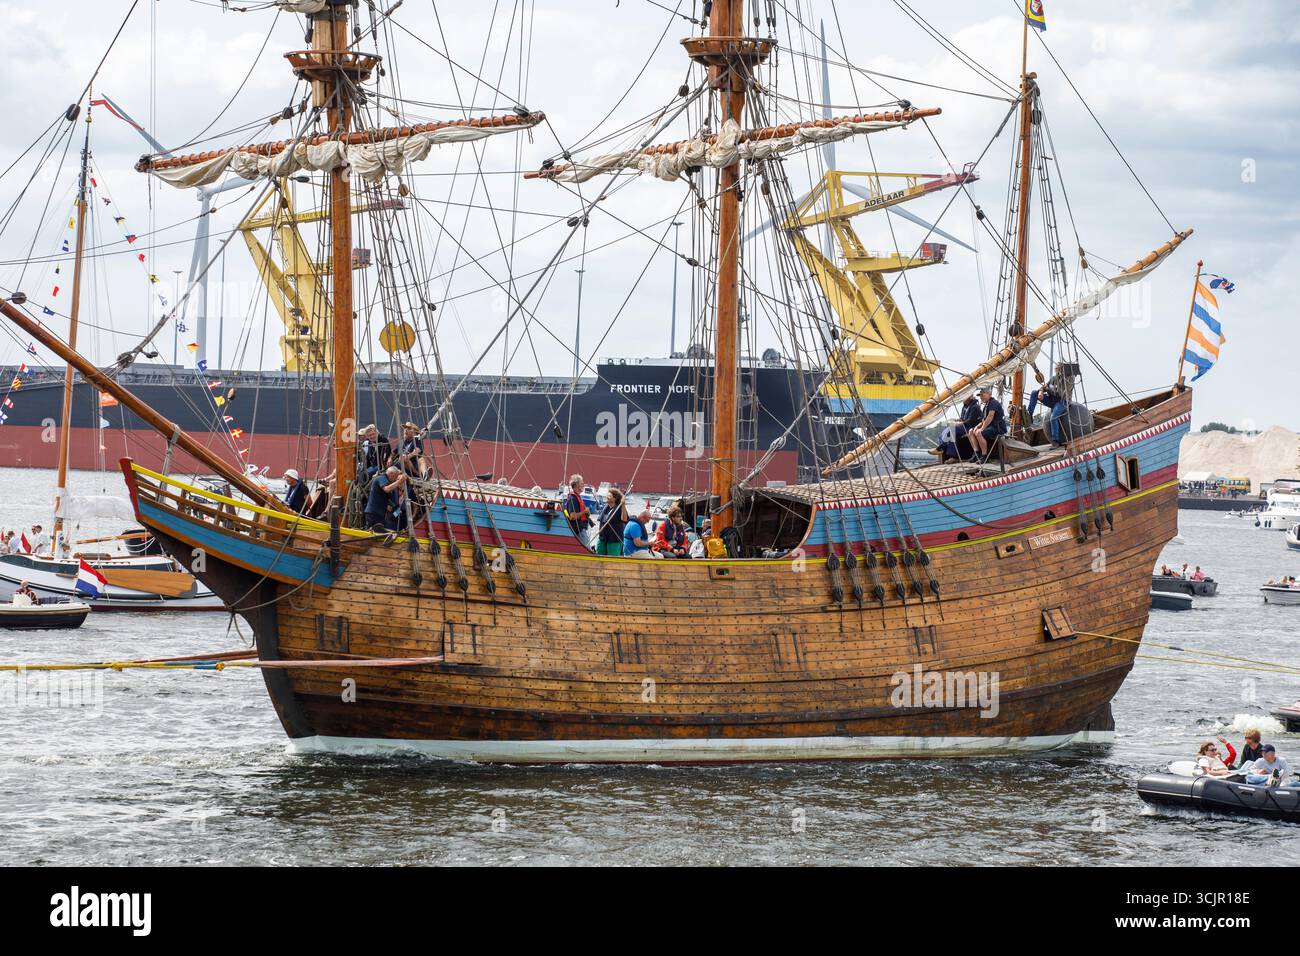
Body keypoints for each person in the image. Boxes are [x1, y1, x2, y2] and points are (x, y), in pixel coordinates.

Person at [364, 466, 407, 532]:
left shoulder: (390, 485)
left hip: (381, 514)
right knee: (373, 532)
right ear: (391, 474)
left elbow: (393, 502)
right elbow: (387, 489)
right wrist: (399, 481)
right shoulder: (381, 478)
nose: (395, 480)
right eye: (395, 477)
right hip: (374, 513)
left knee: (379, 532)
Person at [970, 387, 1007, 459]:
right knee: (971, 431)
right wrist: (977, 427)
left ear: (989, 394)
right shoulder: (986, 406)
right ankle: (976, 454)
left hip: (998, 428)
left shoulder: (993, 403)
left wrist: (982, 429)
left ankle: (984, 456)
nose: (981, 397)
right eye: (980, 396)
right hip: (990, 427)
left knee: (979, 433)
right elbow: (983, 420)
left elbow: (990, 416)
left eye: (982, 395)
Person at [594, 488, 628, 556]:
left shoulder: (619, 508)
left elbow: (624, 519)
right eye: (607, 496)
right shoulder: (606, 507)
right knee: (599, 555)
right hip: (602, 538)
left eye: (609, 496)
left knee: (612, 557)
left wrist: (623, 504)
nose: (607, 497)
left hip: (613, 539)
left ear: (615, 498)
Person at [563, 475, 590, 539]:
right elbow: (573, 516)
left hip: (581, 528)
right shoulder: (573, 498)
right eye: (581, 483)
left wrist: (587, 513)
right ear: (576, 485)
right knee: (586, 548)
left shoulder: (577, 496)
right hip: (578, 530)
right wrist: (584, 511)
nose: (583, 484)